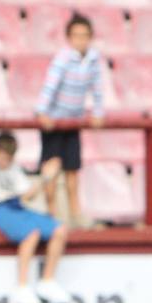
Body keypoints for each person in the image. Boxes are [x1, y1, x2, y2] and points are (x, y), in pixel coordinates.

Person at [0, 132, 70, 303]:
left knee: (59, 229)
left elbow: (26, 197)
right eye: (1, 157)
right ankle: (22, 285)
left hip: (17, 207)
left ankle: (47, 280)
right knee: (31, 233)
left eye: (7, 158)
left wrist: (46, 177)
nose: (3, 162)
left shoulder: (14, 168)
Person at [36, 12, 105, 228]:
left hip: (73, 122)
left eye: (84, 35)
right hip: (55, 122)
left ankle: (75, 214)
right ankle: (51, 214)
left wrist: (98, 112)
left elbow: (97, 88)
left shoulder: (93, 59)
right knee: (52, 170)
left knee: (72, 170)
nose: (80, 40)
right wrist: (42, 112)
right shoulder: (63, 58)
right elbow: (50, 85)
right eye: (76, 35)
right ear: (69, 37)